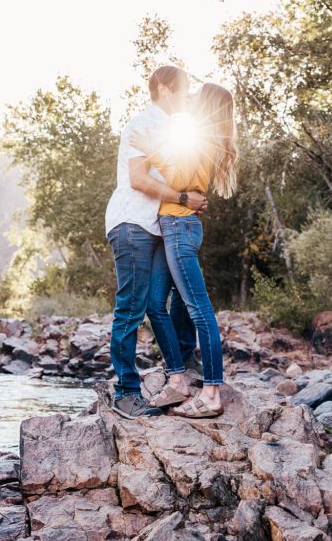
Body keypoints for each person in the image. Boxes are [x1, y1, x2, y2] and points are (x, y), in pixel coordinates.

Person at [104, 66, 207, 419]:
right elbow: (138, 179)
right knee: (131, 307)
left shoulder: (175, 132)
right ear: (164, 88)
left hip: (163, 226)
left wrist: (193, 197)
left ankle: (182, 365)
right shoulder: (141, 125)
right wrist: (182, 197)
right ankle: (126, 392)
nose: (187, 98)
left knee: (171, 295)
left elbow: (184, 178)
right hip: (133, 222)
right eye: (183, 91)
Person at [131, 82, 239, 418]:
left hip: (180, 228)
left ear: (205, 105)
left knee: (198, 308)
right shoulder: (200, 138)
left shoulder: (199, 140)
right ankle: (178, 380)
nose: (189, 99)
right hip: (174, 226)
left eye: (195, 97)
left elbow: (177, 180)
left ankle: (211, 394)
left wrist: (151, 148)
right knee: (153, 302)